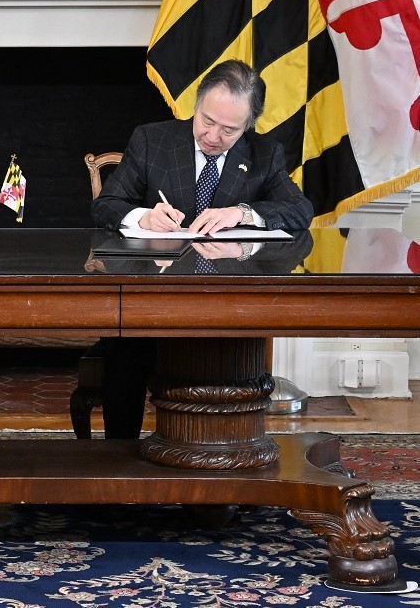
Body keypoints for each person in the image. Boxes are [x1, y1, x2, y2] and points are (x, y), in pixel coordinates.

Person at [91, 59, 314, 439]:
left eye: (229, 130)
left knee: (235, 356)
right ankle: (120, 462)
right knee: (124, 353)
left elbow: (300, 211)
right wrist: (142, 216)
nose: (213, 136)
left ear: (248, 126)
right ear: (195, 106)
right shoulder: (152, 139)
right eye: (206, 120)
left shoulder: (264, 154)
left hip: (228, 302)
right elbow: (106, 204)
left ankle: (227, 454)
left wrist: (242, 214)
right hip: (153, 298)